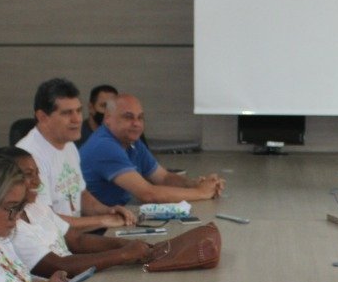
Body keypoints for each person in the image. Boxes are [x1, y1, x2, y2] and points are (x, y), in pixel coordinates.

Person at [0, 146, 155, 276]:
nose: (37, 182)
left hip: (80, 277)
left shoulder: (35, 206)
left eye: (37, 173)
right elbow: (60, 266)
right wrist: (123, 255)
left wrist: (128, 245)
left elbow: (77, 240)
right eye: (28, 175)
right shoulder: (8, 226)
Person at [16, 77, 135, 226]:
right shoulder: (29, 157)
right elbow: (45, 221)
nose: (77, 119)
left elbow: (81, 194)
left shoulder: (68, 144)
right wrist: (102, 221)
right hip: (51, 239)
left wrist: (109, 211)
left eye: (78, 111)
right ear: (42, 117)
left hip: (74, 235)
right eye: (67, 113)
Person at [80, 93, 225, 205]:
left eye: (140, 118)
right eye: (128, 117)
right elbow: (147, 194)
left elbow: (163, 177)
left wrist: (194, 184)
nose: (136, 123)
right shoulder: (105, 146)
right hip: (99, 227)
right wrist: (201, 193)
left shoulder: (131, 140)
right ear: (108, 119)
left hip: (119, 215)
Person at [76, 83, 118, 147]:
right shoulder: (76, 135)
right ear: (91, 108)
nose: (108, 111)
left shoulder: (120, 135)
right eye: (104, 106)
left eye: (112, 107)